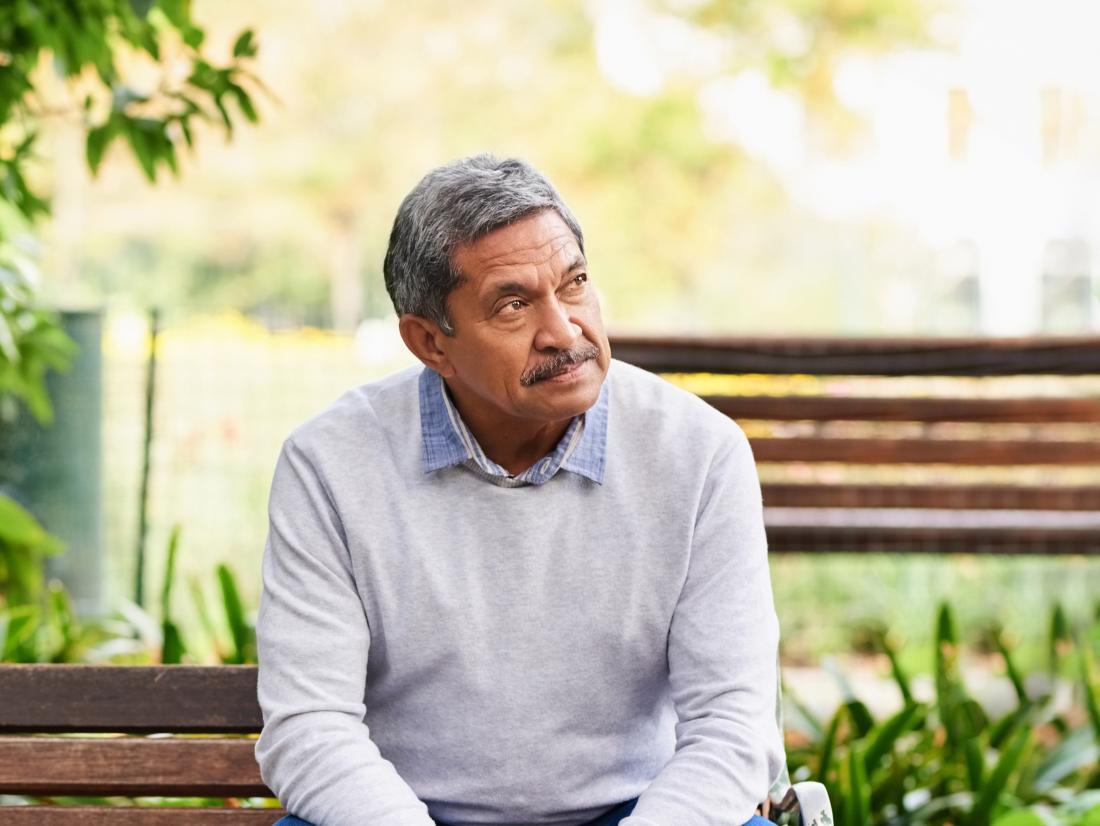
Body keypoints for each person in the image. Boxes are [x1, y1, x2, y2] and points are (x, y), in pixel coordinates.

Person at [255, 154, 784, 826]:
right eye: (513, 305)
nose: (564, 331)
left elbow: (732, 729)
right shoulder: (329, 466)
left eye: (576, 284)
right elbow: (311, 730)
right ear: (429, 343)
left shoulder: (700, 454)